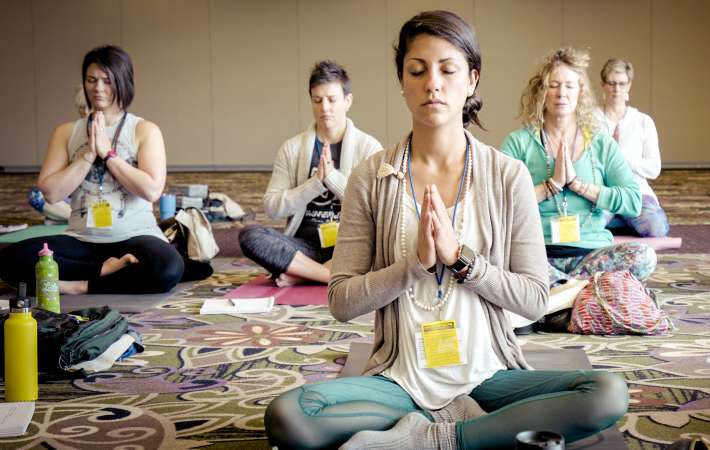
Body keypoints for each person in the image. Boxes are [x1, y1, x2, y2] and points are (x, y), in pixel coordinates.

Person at [264, 11, 628, 450]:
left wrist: (462, 260)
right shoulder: (369, 177)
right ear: (402, 81)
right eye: (417, 71)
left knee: (607, 394)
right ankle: (472, 435)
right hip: (401, 382)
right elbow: (341, 301)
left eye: (447, 70)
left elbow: (533, 299)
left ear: (471, 80)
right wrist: (412, 267)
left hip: (488, 377)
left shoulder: (506, 175)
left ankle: (437, 440)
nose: (432, 83)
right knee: (289, 416)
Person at [0, 45, 184, 295]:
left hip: (136, 236)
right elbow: (51, 193)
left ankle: (80, 285)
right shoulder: (66, 132)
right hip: (82, 239)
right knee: (10, 259)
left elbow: (151, 190)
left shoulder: (144, 130)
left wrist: (109, 154)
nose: (98, 88)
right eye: (91, 80)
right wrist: (88, 154)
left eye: (107, 81)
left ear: (123, 82)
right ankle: (104, 270)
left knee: (168, 267)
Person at [500, 48, 656, 287]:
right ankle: (582, 290)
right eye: (553, 84)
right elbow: (498, 203)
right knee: (497, 259)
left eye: (570, 86)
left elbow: (633, 201)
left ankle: (559, 291)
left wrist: (579, 186)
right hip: (536, 254)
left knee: (644, 257)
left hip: (591, 253)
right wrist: (550, 186)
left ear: (580, 92)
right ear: (541, 90)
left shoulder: (600, 142)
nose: (561, 93)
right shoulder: (518, 142)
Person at [238, 61, 381, 287]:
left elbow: (375, 208)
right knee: (250, 236)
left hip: (348, 246)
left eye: (332, 100)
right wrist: (314, 184)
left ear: (348, 101)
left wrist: (332, 179)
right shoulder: (292, 148)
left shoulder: (369, 148)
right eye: (317, 100)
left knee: (381, 247)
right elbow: (273, 207)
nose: (324, 108)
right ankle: (326, 275)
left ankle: (302, 274)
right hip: (304, 248)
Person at [596, 58, 669, 237]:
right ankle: (625, 220)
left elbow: (653, 169)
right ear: (603, 85)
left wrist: (621, 157)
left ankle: (620, 220)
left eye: (622, 83)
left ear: (629, 85)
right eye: (612, 83)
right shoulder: (590, 120)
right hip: (602, 192)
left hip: (635, 192)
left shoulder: (643, 121)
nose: (617, 89)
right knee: (580, 230)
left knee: (657, 228)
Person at [28, 85, 90, 225]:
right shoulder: (68, 133)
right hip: (72, 194)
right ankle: (78, 217)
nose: (85, 112)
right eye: (81, 107)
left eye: (89, 106)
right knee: (36, 195)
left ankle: (66, 216)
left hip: (97, 195)